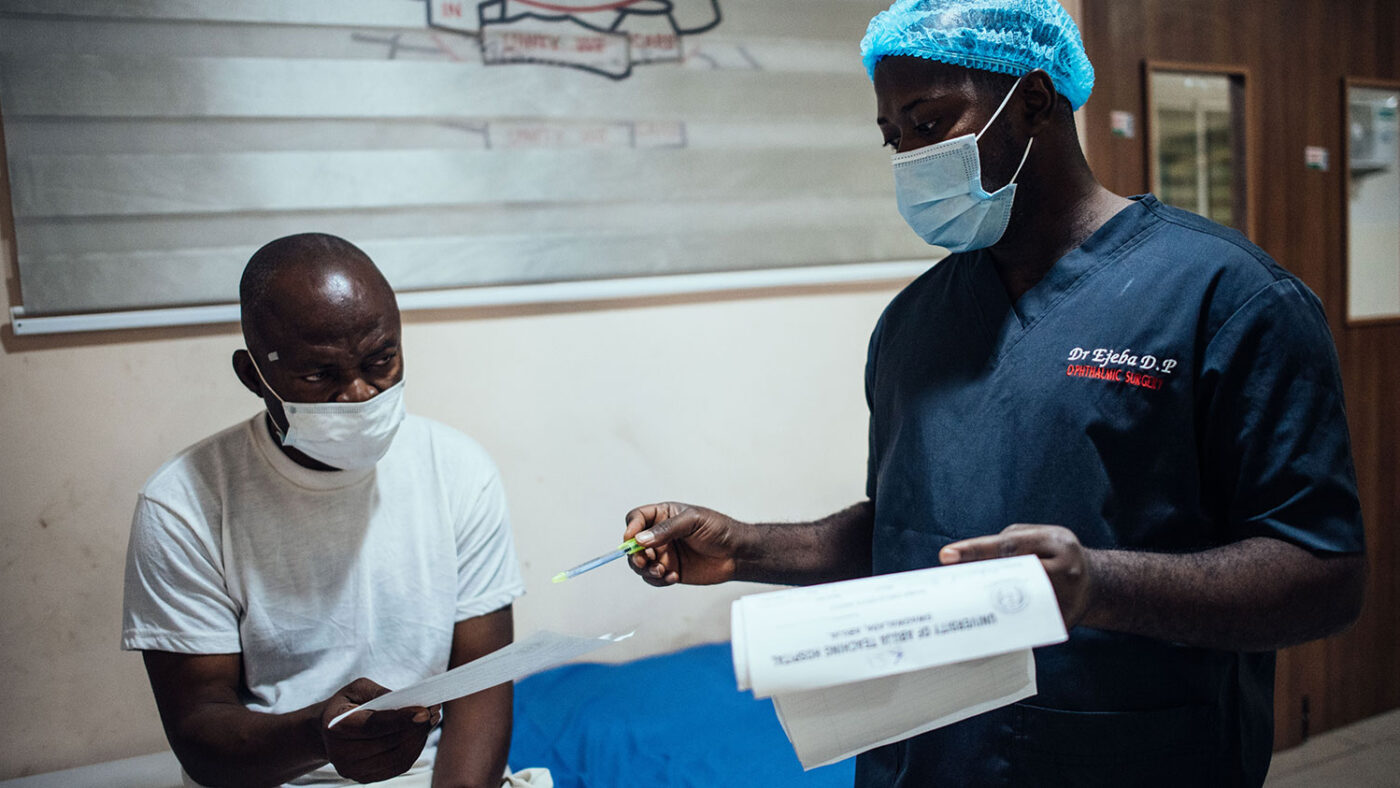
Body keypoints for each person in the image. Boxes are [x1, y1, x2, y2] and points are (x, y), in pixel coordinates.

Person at [621, 1, 1366, 785]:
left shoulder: (1228, 300)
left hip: (1128, 755)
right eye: (892, 135)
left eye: (930, 121)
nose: (907, 154)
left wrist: (1098, 585)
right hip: (924, 756)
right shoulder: (913, 325)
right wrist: (743, 548)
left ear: (1035, 103)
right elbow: (904, 532)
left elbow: (1322, 575)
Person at [122, 234, 529, 787]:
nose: (361, 394)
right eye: (319, 376)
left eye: (381, 361)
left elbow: (480, 687)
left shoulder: (458, 471)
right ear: (253, 376)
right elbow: (200, 731)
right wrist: (320, 735)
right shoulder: (184, 505)